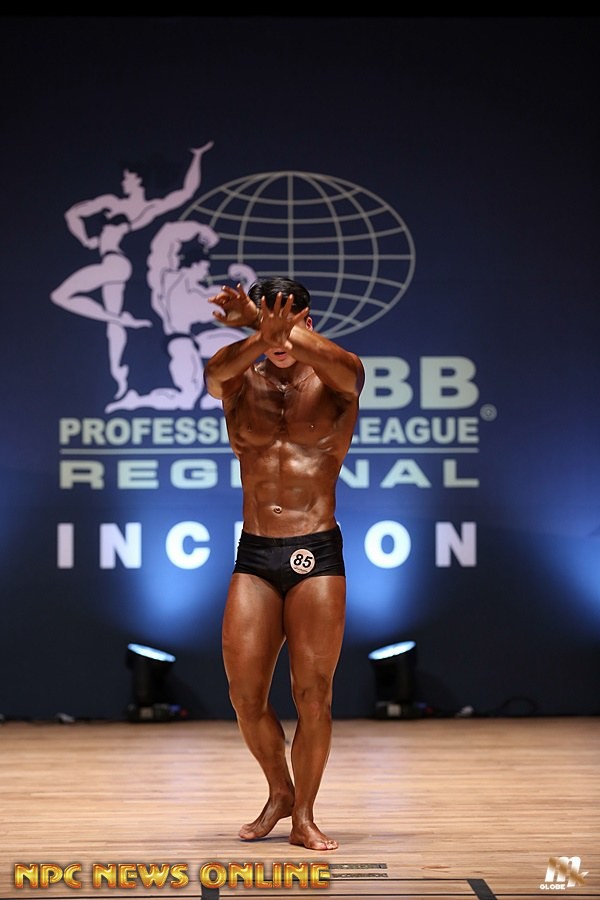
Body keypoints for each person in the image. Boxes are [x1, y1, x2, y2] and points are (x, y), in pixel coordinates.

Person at [204, 277, 365, 852]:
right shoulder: (239, 377)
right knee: (244, 695)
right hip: (255, 552)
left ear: (308, 322)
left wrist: (268, 325)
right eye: (267, 320)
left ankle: (305, 816)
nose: (277, 337)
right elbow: (214, 375)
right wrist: (259, 331)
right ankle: (279, 791)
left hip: (315, 550)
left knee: (312, 693)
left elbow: (348, 371)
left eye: (289, 322)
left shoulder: (337, 377)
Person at [50, 142, 213, 400]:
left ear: (138, 180)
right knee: (113, 326)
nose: (123, 183)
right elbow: (73, 214)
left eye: (127, 178)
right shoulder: (125, 206)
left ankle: (121, 325)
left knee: (61, 295)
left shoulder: (133, 207)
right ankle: (120, 379)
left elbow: (185, 193)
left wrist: (197, 157)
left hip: (114, 263)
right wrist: (85, 239)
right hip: (116, 265)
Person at [104, 221, 255, 413]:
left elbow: (231, 303)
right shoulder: (168, 280)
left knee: (240, 343)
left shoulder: (197, 292)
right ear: (195, 265)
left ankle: (233, 394)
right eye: (204, 268)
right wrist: (200, 230)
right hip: (180, 342)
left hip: (194, 341)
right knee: (187, 396)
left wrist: (247, 278)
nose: (206, 273)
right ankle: (135, 401)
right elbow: (165, 242)